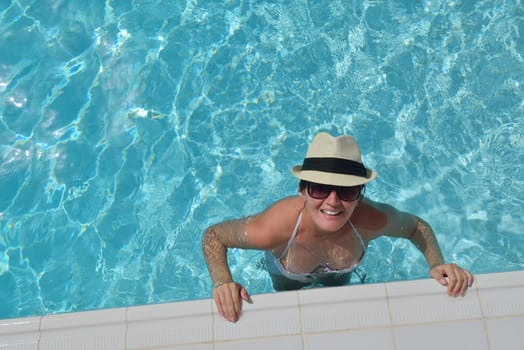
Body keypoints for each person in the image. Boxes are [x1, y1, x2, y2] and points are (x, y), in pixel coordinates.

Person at [202, 132, 474, 323]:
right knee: (288, 301)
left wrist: (436, 263)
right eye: (320, 189)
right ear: (303, 192)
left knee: (340, 297)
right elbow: (214, 236)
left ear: (359, 196)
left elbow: (416, 227)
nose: (333, 202)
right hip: (288, 277)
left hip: (340, 275)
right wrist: (223, 281)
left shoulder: (370, 220)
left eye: (346, 191)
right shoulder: (276, 227)